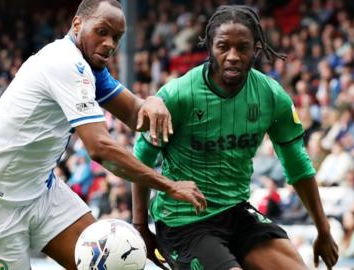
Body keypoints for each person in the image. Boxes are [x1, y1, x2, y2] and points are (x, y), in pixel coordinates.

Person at [0, 1, 207, 269]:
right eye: (101, 31)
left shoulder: (91, 68)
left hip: (41, 192)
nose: (109, 43)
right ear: (77, 24)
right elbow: (100, 148)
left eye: (116, 37)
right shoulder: (65, 63)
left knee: (111, 260)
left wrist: (152, 101)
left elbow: (134, 114)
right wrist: (169, 185)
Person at [132, 5, 339, 270]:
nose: (233, 56)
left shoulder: (270, 95)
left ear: (257, 48)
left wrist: (323, 230)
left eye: (243, 47)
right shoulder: (177, 95)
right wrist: (140, 226)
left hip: (237, 212)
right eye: (223, 47)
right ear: (209, 47)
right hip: (183, 221)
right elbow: (141, 159)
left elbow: (298, 164)